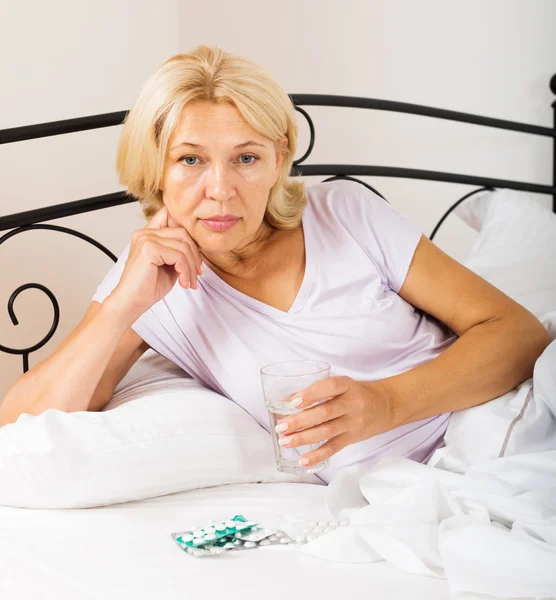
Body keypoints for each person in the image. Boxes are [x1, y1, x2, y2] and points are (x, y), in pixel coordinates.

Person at [0, 46, 550, 484]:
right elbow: (20, 427)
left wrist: (387, 402)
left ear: (280, 159)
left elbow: (518, 333)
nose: (221, 191)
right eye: (190, 160)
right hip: (413, 490)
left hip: (503, 427)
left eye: (246, 158)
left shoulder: (345, 213)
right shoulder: (150, 286)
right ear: (156, 167)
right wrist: (122, 306)